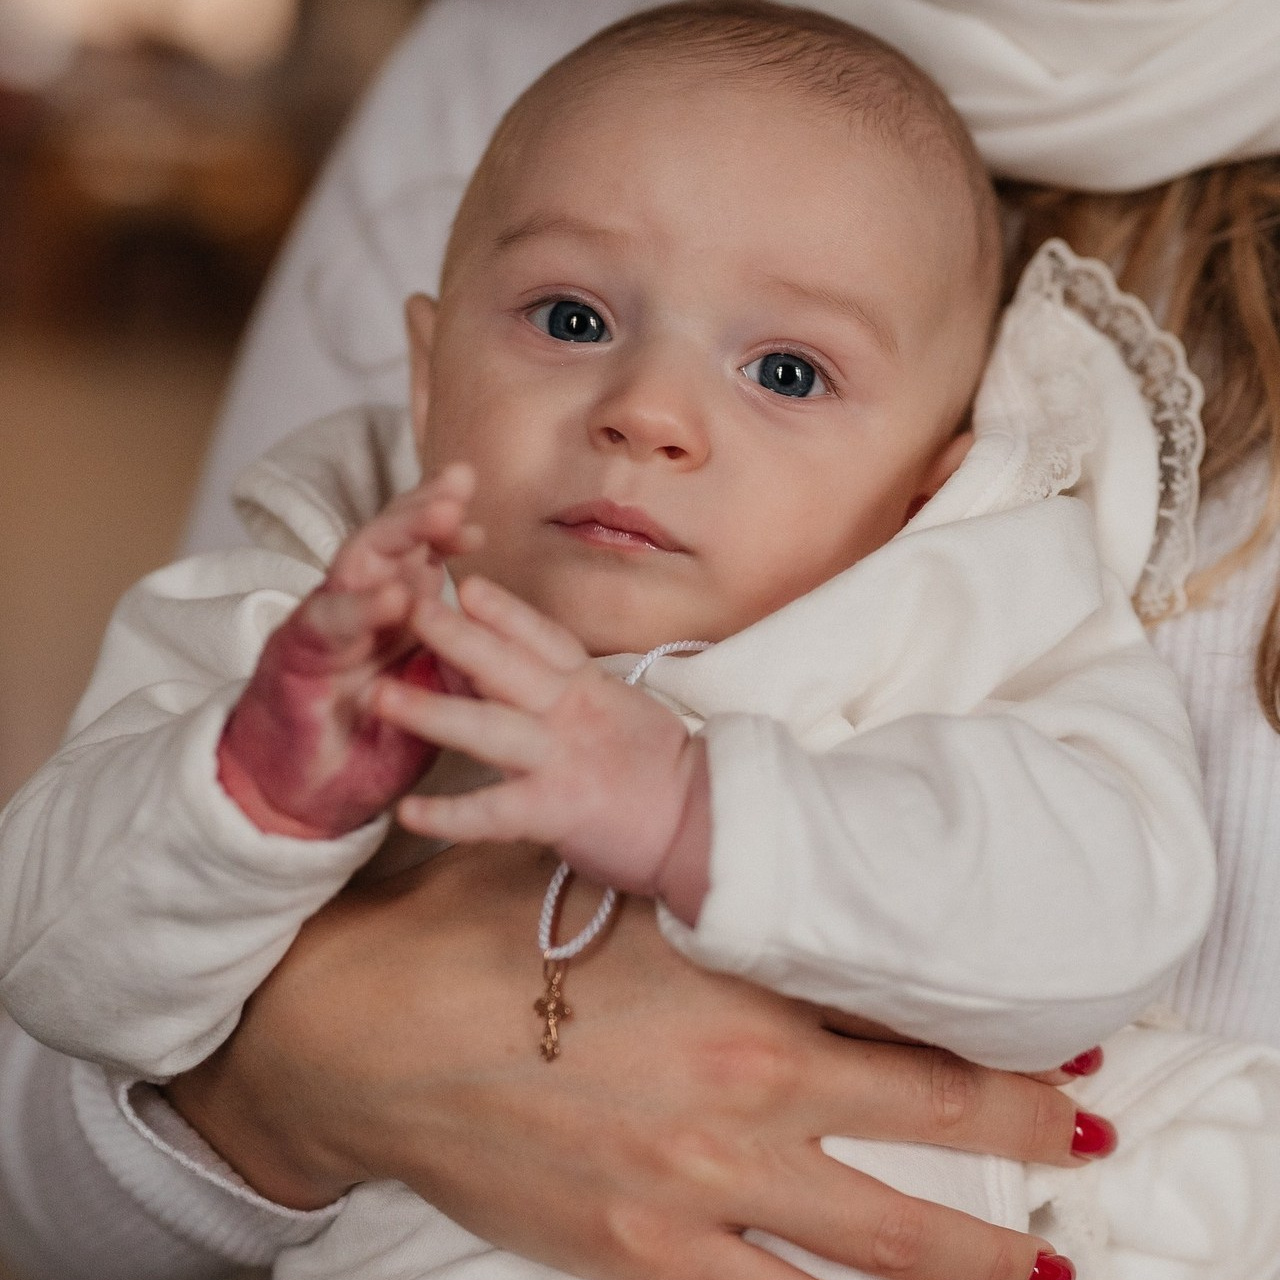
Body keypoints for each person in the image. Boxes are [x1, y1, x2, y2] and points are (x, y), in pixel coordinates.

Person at [2, 3, 1279, 1280]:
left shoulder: (959, 616)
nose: (647, 412)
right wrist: (241, 804)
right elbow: (49, 977)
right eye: (569, 319)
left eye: (785, 373)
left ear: (925, 488)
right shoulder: (312, 615)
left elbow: (1103, 906)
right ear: (427, 372)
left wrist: (701, 813)